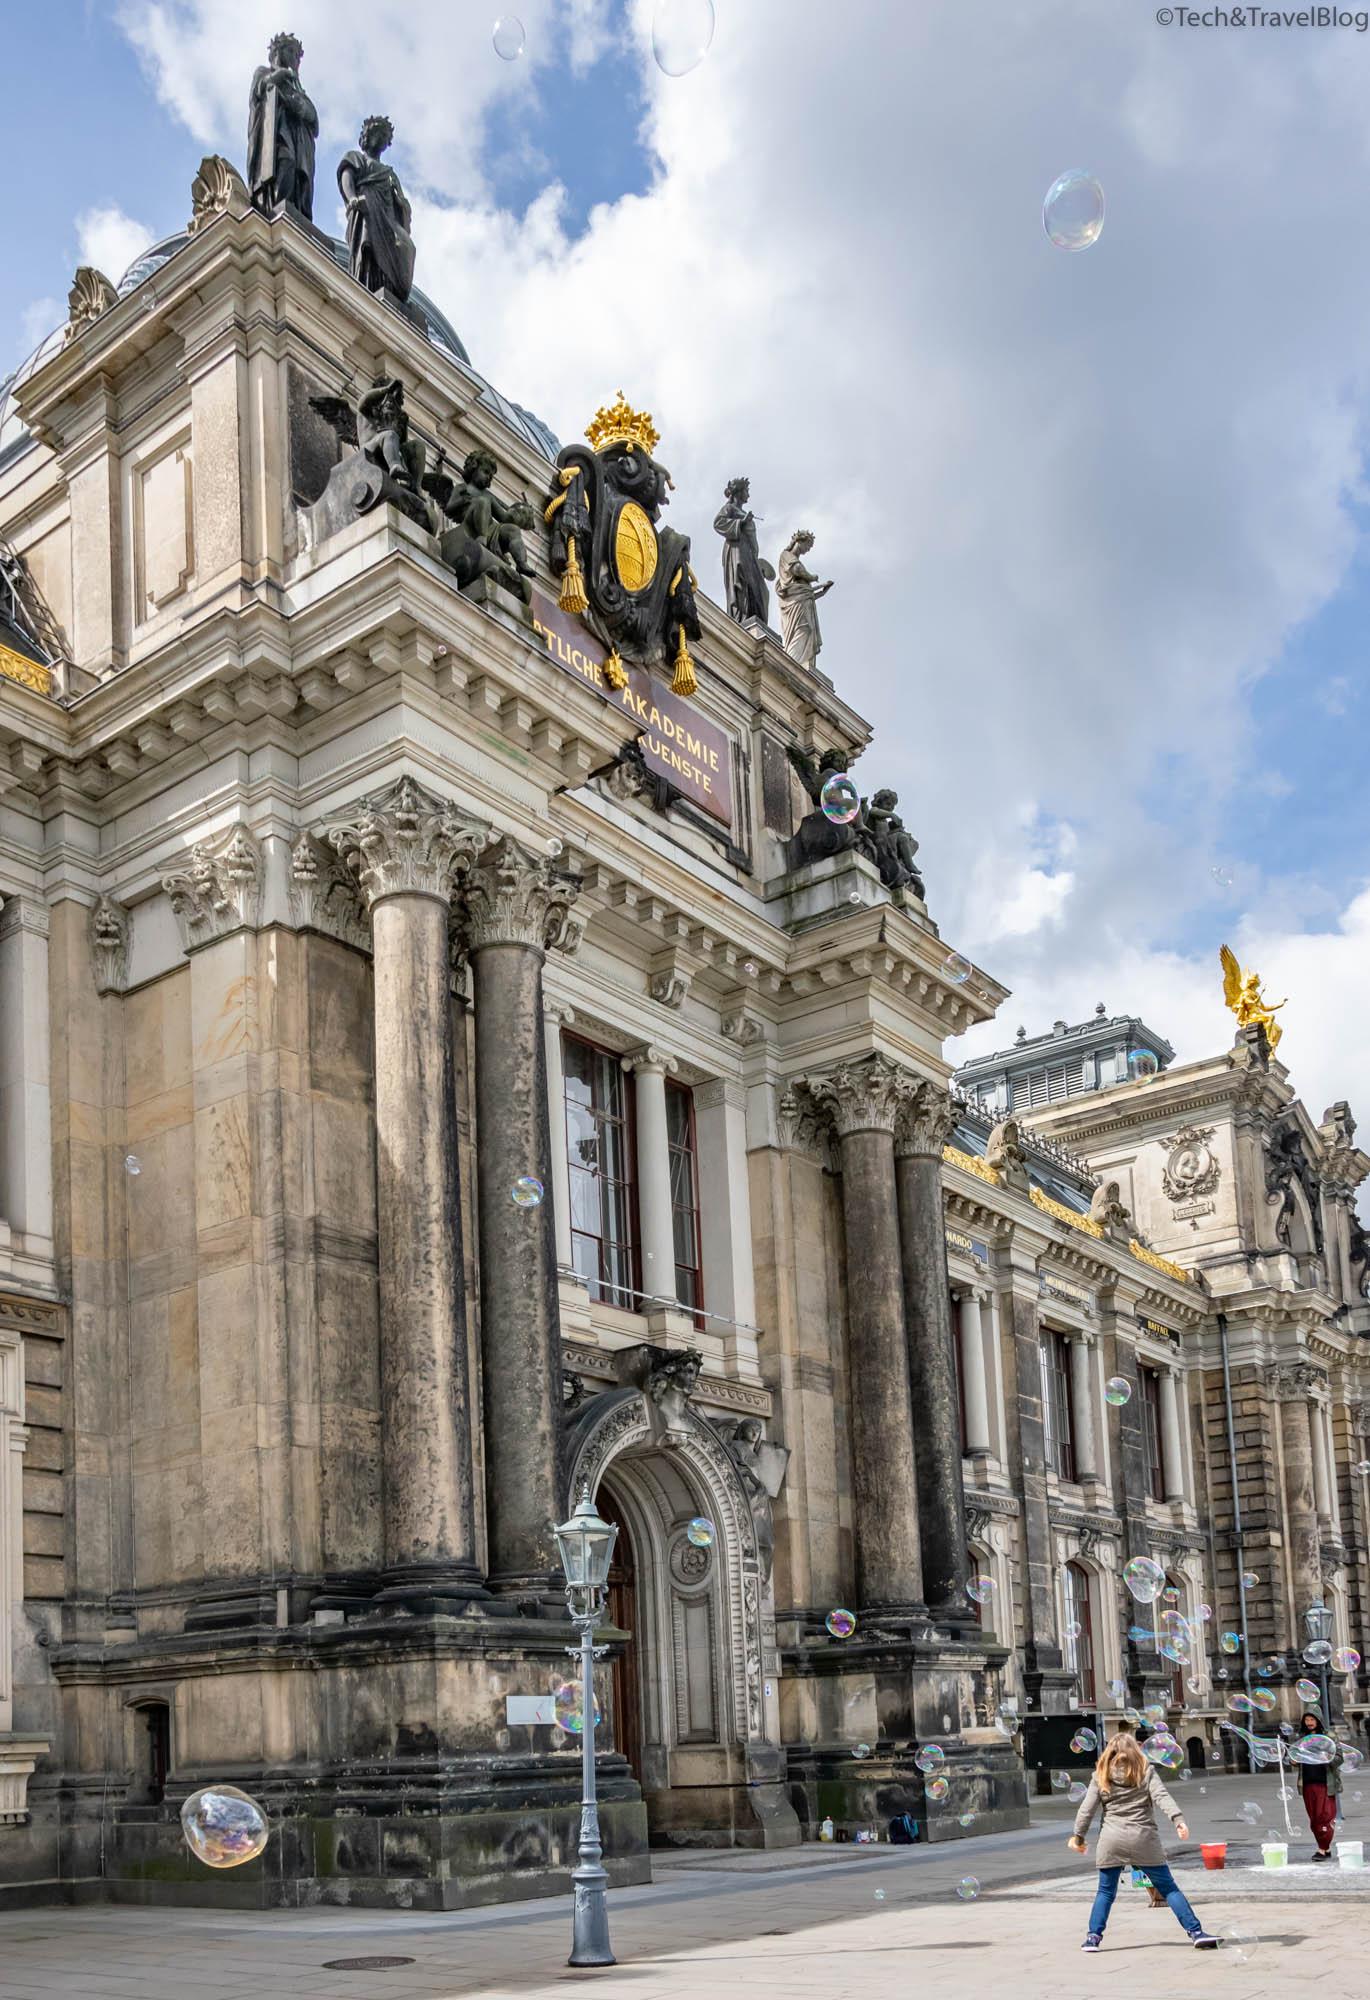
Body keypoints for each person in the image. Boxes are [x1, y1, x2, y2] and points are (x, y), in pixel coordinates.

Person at [1069, 1733, 1217, 1951]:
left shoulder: (1100, 1775)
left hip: (1112, 1840)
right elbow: (1162, 1796)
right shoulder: (1145, 1771)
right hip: (1144, 1838)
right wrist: (1178, 1820)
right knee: (1168, 1888)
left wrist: (1078, 1838)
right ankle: (1196, 1933)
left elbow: (1086, 1811)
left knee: (1105, 1892)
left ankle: (1093, 1938)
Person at [1296, 1712, 1343, 1860]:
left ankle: (1322, 1849)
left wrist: (1328, 1758)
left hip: (1325, 1783)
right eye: (1307, 1719)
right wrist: (1293, 1761)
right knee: (1314, 1819)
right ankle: (1325, 1848)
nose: (1309, 1722)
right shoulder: (1302, 1738)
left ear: (1318, 1720)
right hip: (1307, 1783)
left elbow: (1339, 1758)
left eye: (1312, 1719)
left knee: (1325, 1817)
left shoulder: (1329, 1736)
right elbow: (1296, 1758)